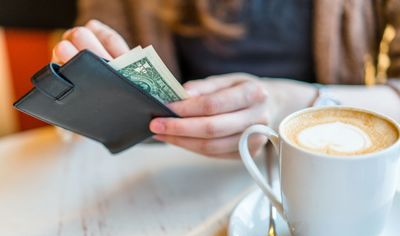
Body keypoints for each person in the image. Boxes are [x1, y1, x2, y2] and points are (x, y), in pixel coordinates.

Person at [52, 0, 400, 159]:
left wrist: (290, 106)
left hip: (334, 173)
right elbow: (99, 62)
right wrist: (87, 86)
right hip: (172, 177)